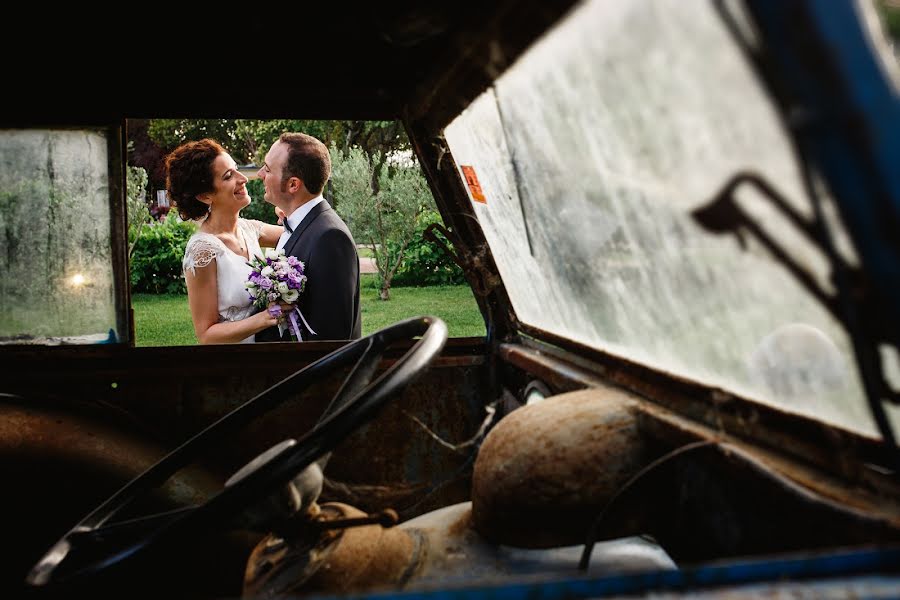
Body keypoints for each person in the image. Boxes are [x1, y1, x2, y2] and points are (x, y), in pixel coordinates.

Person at [168, 138, 289, 344]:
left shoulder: (250, 229)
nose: (243, 179)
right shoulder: (202, 250)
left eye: (236, 169)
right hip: (234, 364)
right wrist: (266, 318)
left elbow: (299, 232)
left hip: (268, 352)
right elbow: (206, 335)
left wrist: (289, 212)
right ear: (206, 196)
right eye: (228, 176)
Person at [255, 133, 361, 341]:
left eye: (267, 169)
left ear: (293, 185)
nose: (260, 174)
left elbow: (331, 337)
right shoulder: (296, 224)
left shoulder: (330, 238)